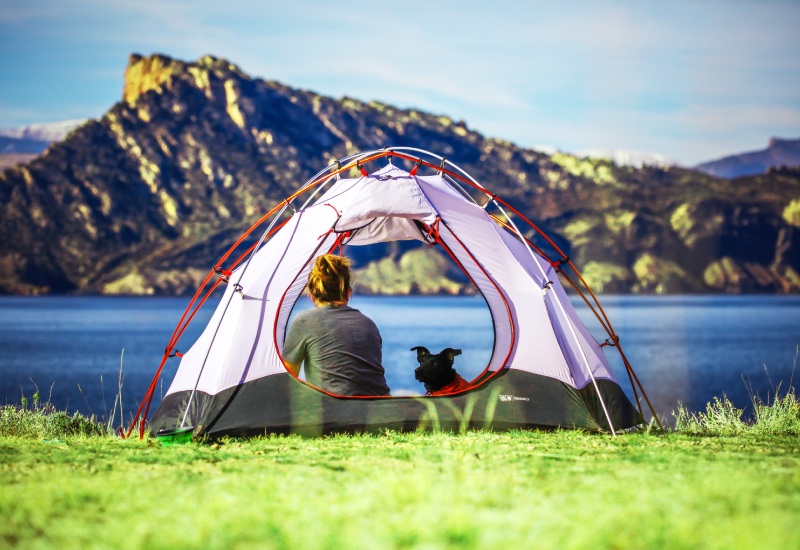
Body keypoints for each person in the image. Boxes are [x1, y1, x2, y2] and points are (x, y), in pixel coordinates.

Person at [282, 254, 390, 397]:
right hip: (382, 409)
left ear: (312, 296)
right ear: (348, 293)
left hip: (335, 413)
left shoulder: (304, 321)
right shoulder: (369, 324)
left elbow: (288, 380)